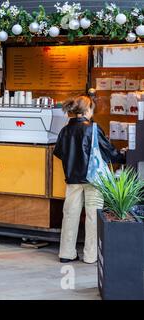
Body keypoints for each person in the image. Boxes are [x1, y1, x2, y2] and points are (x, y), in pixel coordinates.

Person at [54, 95, 125, 264]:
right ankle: (91, 255)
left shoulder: (65, 129)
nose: (92, 112)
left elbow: (58, 152)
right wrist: (124, 156)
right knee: (93, 216)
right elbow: (108, 151)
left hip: (72, 179)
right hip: (93, 178)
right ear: (86, 110)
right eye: (92, 109)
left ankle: (66, 253)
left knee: (70, 214)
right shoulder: (92, 128)